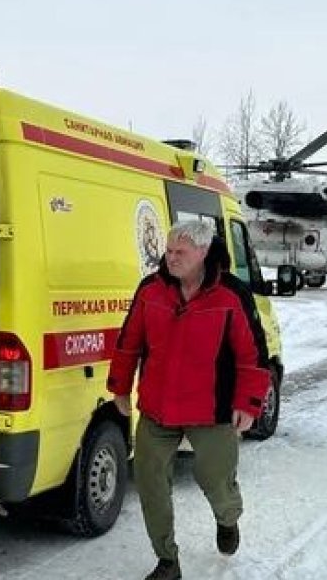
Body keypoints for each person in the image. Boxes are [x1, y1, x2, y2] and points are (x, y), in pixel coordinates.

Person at [107, 221, 270, 580]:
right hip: (157, 407)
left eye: (180, 252)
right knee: (151, 484)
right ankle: (167, 561)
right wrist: (119, 386)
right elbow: (129, 340)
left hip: (211, 411)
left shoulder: (232, 294)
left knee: (216, 480)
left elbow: (253, 355)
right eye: (168, 250)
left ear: (203, 252)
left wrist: (249, 403)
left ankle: (227, 519)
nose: (171, 257)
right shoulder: (151, 289)